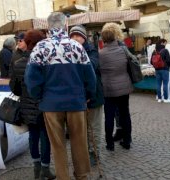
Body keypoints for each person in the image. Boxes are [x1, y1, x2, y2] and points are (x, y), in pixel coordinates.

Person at [25, 12, 96, 180]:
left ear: (48, 27)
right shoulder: (77, 46)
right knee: (79, 142)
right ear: (66, 26)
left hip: (51, 104)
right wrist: (88, 95)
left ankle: (63, 177)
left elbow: (31, 79)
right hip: (76, 102)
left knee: (57, 146)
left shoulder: (40, 48)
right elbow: (90, 76)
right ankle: (82, 176)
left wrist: (39, 96)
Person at [9, 30, 55, 180]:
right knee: (45, 137)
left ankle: (36, 167)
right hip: (44, 105)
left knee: (33, 136)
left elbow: (14, 88)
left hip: (26, 107)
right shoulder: (46, 62)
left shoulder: (18, 63)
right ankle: (45, 169)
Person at [69, 25, 104, 166]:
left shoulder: (92, 51)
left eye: (79, 36)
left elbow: (91, 66)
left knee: (94, 128)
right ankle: (83, 153)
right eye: (73, 36)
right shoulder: (67, 52)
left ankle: (94, 154)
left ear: (84, 38)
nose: (76, 39)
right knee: (80, 129)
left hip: (94, 96)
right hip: (77, 98)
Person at [99, 23, 134, 150]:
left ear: (103, 39)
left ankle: (110, 144)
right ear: (115, 37)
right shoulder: (123, 50)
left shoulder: (100, 54)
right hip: (125, 88)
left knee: (109, 117)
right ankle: (127, 141)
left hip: (109, 90)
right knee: (125, 114)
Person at [150, 39, 170, 103]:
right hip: (165, 70)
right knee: (165, 84)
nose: (166, 44)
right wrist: (168, 65)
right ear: (162, 43)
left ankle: (159, 98)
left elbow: (151, 62)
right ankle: (165, 99)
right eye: (165, 43)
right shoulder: (165, 50)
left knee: (158, 84)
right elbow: (169, 61)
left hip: (157, 70)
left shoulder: (154, 51)